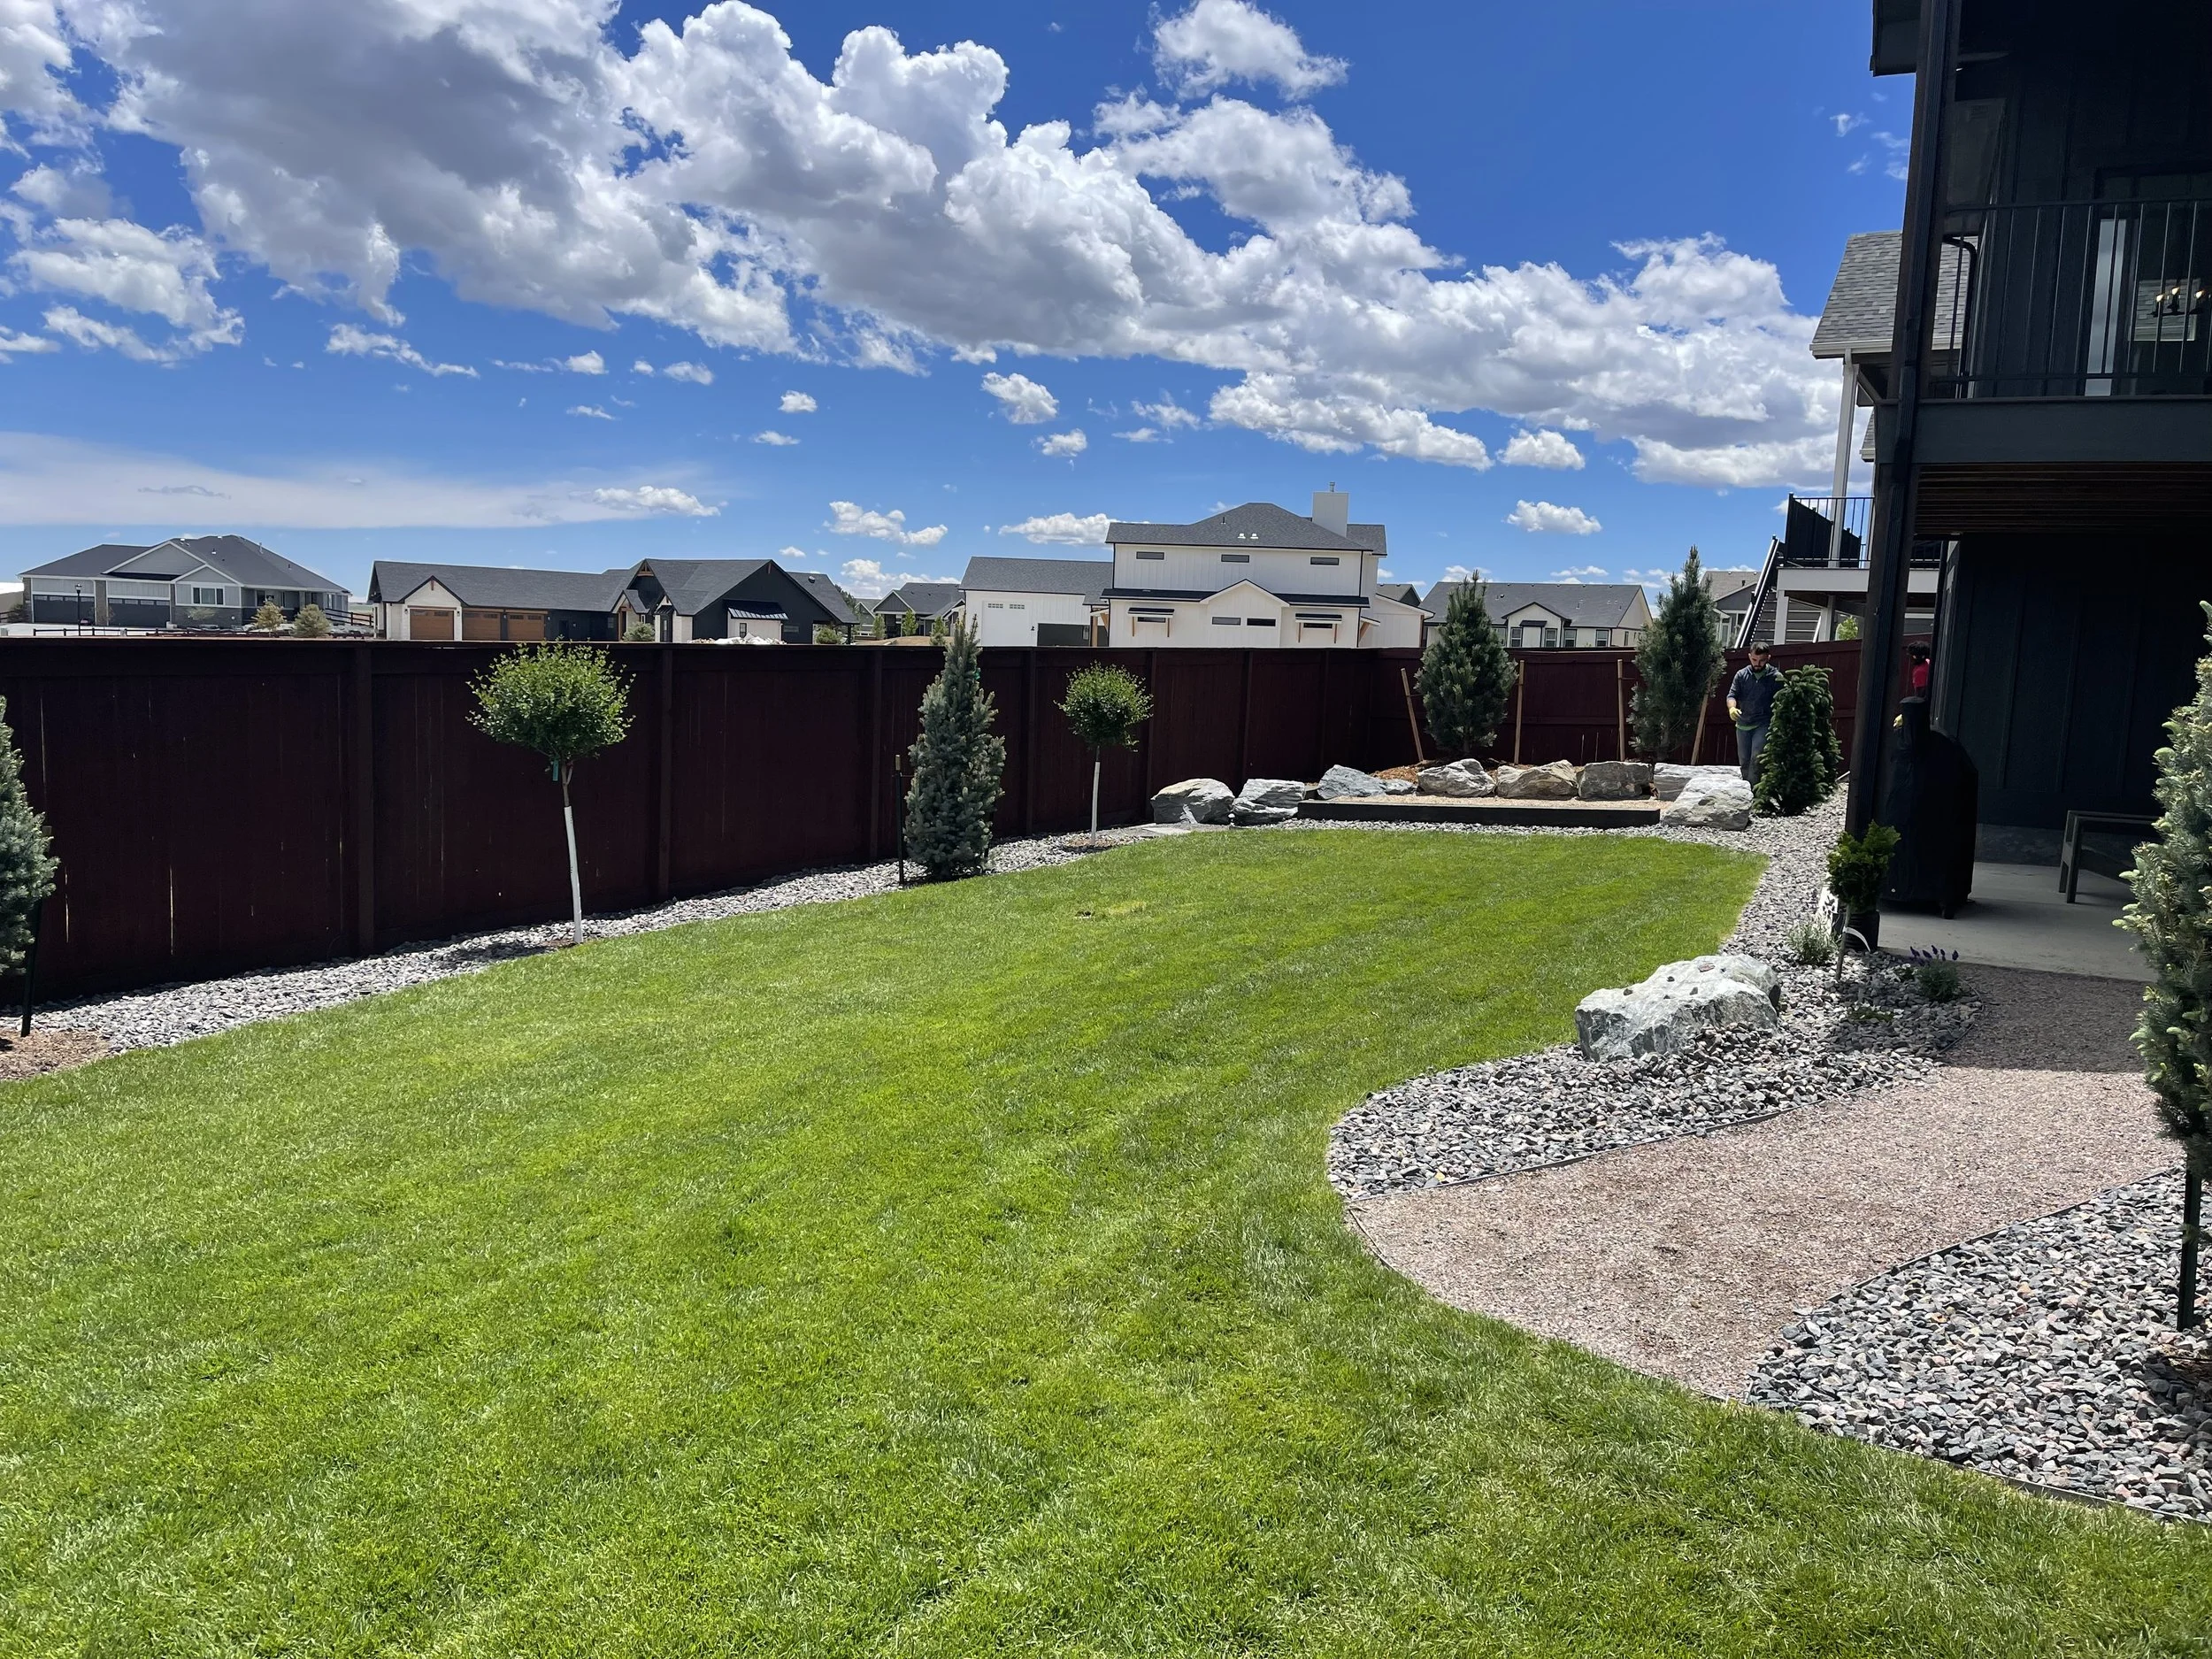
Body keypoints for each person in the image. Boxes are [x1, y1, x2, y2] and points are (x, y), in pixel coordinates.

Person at [1727, 640, 1784, 784]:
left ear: (1768, 658)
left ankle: (1754, 791)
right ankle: (1747, 788)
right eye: (1754, 660)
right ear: (1749, 656)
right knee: (1744, 762)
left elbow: (1783, 700)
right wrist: (1732, 708)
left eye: (1762, 660)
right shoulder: (1741, 675)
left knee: (1757, 758)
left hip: (1763, 724)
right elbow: (1732, 695)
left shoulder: (1775, 677)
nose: (1757, 663)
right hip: (1743, 725)